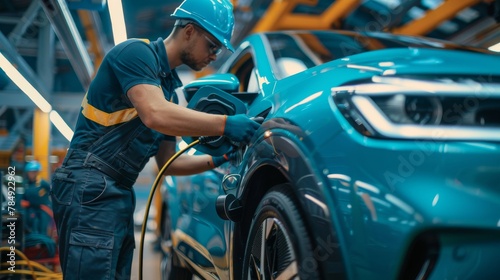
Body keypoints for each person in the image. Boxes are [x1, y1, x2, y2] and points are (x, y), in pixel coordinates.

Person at [50, 0, 259, 279]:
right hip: (89, 185)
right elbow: (154, 115)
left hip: (116, 192)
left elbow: (169, 164)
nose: (214, 56)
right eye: (213, 46)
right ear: (189, 31)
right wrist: (226, 124)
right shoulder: (136, 54)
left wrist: (220, 158)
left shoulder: (168, 95)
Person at [21, 160, 53, 235]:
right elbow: (23, 198)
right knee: (31, 228)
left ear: (37, 172)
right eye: (30, 172)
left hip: (43, 209)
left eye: (34, 172)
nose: (32, 174)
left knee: (43, 229)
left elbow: (53, 193)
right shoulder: (26, 184)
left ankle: (44, 244)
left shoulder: (43, 183)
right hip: (31, 209)